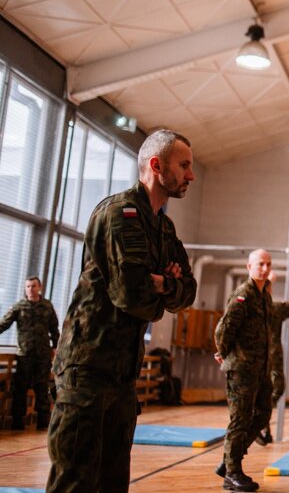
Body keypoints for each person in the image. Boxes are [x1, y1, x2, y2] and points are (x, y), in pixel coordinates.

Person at [46, 129, 197, 493]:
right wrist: (162, 287)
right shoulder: (120, 213)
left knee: (113, 482)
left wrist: (162, 283)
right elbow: (132, 296)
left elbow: (187, 292)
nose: (190, 175)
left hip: (123, 372)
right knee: (75, 481)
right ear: (156, 165)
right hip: (88, 367)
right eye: (184, 165)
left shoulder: (163, 226)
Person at [213, 249, 274, 492]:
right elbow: (223, 330)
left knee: (262, 415)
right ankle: (232, 473)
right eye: (260, 264)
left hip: (260, 369)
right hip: (241, 369)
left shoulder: (264, 296)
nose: (265, 268)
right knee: (240, 419)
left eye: (268, 264)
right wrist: (225, 354)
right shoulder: (243, 295)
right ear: (249, 266)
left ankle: (229, 460)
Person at [0, 276, 59, 430]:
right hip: (25, 354)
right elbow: (3, 324)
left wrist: (56, 347)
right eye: (28, 286)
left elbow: (54, 329)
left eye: (33, 286)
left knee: (41, 387)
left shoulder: (47, 306)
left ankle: (43, 424)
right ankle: (17, 423)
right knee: (21, 388)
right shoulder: (19, 307)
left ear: (39, 287)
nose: (30, 289)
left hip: (43, 355)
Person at [257, 272, 289, 445]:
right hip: (269, 356)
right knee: (275, 388)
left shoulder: (249, 305)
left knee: (264, 390)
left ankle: (263, 428)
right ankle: (258, 423)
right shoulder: (273, 309)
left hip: (252, 356)